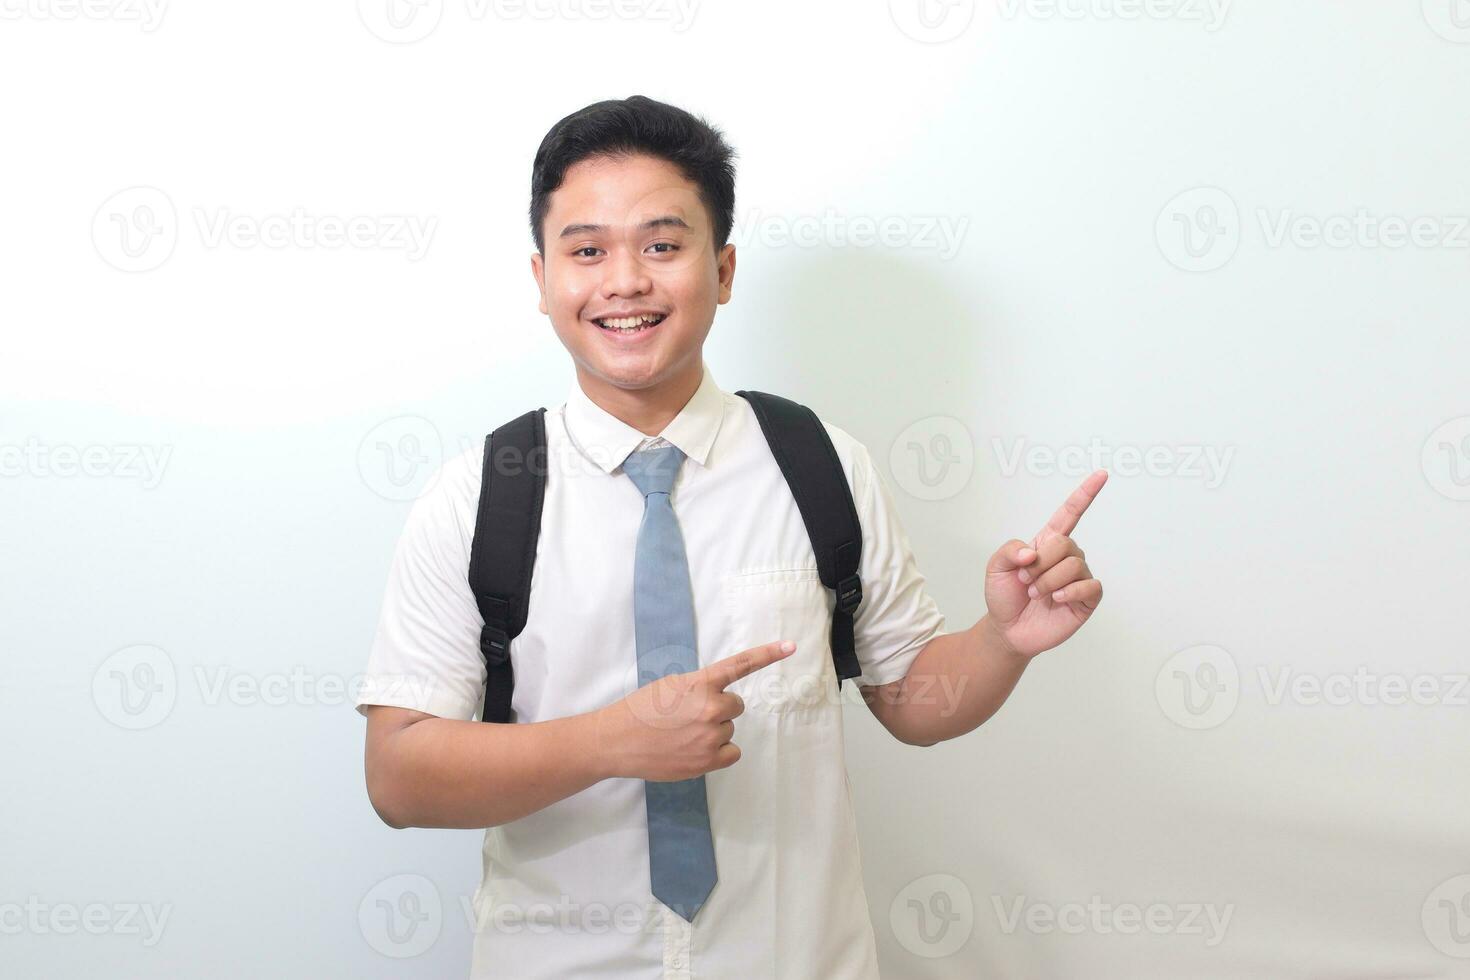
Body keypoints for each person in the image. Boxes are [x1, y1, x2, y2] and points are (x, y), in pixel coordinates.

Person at [354, 94, 1106, 979]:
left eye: (663, 245)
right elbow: (398, 777)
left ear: (724, 269)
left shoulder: (820, 464)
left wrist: (1001, 642)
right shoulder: (479, 496)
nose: (625, 280)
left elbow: (912, 703)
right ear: (542, 277)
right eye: (587, 249)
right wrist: (612, 741)